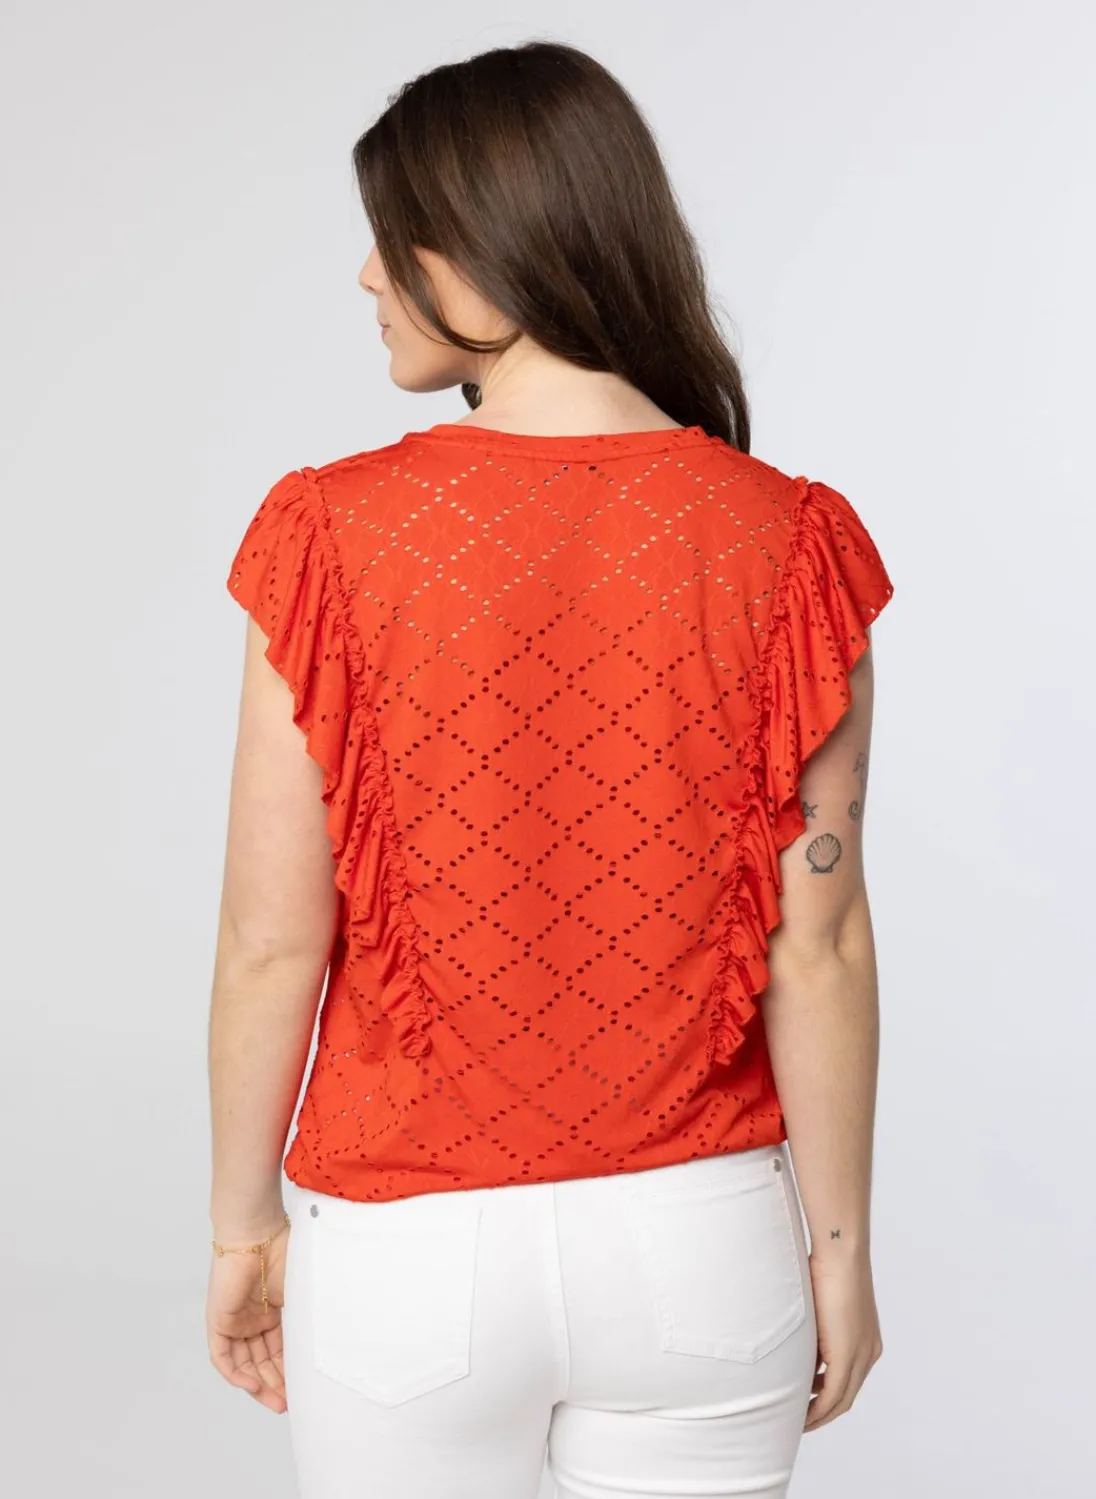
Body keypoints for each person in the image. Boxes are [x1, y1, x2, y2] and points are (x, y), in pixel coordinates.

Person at [205, 37, 893, 1499]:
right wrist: (840, 1256)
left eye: (398, 239)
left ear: (496, 251)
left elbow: (273, 941)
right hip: (702, 1247)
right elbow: (819, 943)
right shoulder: (790, 543)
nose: (367, 276)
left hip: (410, 1257)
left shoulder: (329, 538)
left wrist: (240, 1222)